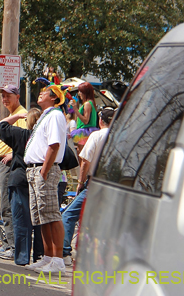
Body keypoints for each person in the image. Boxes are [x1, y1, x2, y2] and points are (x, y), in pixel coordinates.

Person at [24, 85, 68, 274]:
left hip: (44, 170)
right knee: (42, 216)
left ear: (54, 97)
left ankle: (58, 259)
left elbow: (54, 144)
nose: (41, 93)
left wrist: (44, 171)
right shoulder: (46, 115)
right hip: (36, 169)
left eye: (45, 91)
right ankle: (48, 256)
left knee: (51, 213)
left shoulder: (55, 115)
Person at [61, 106, 113, 266]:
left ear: (100, 120)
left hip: (95, 183)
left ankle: (65, 252)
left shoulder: (96, 135)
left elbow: (85, 161)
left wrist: (80, 182)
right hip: (114, 186)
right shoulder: (120, 136)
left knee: (68, 215)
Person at [0, 84, 28, 260]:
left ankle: (13, 246)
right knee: (4, 206)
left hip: (9, 166)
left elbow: (27, 138)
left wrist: (13, 154)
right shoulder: (13, 115)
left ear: (17, 96)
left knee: (8, 207)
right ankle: (7, 244)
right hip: (1, 166)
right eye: (3, 96)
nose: (5, 99)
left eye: (8, 96)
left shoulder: (21, 114)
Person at [70, 82, 98, 152]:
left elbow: (86, 120)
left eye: (80, 91)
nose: (79, 93)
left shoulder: (87, 104)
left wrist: (75, 110)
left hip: (85, 132)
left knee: (82, 155)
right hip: (87, 131)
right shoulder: (91, 103)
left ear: (86, 93)